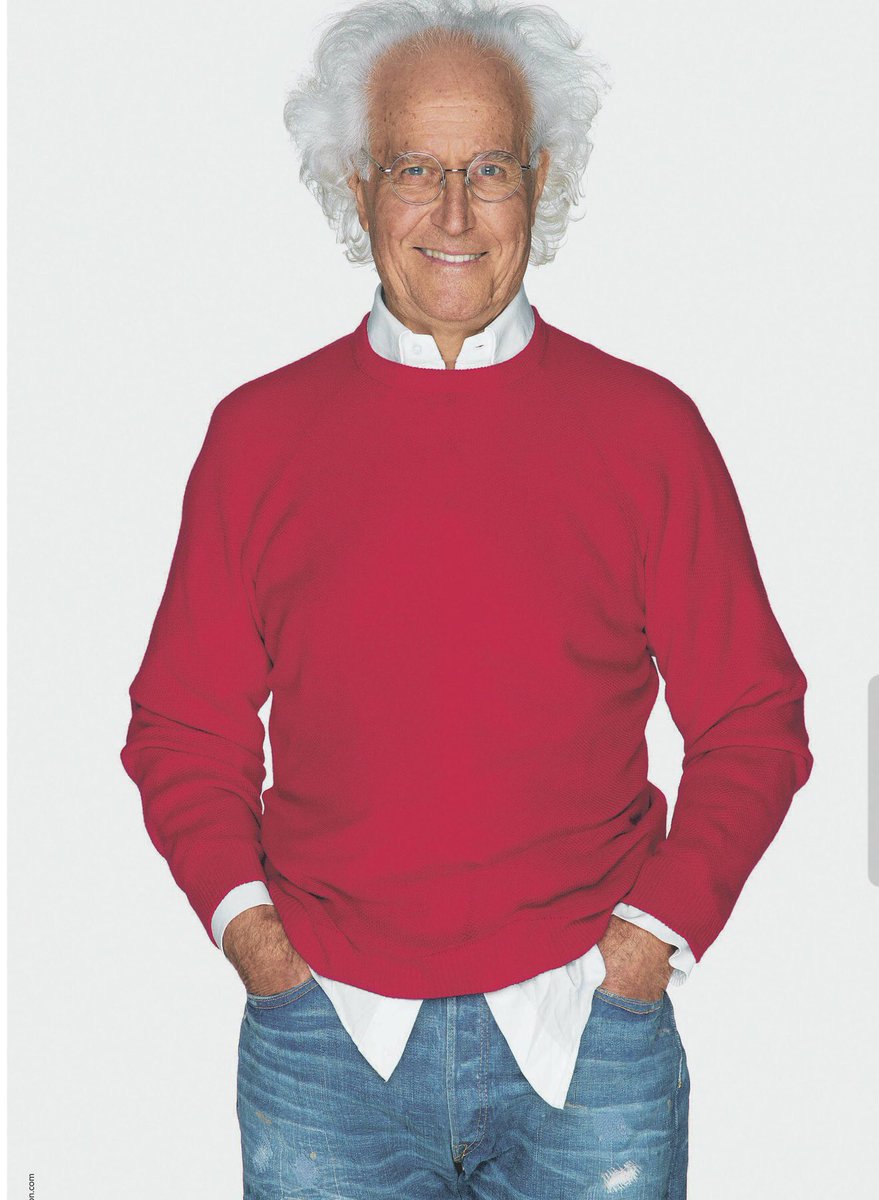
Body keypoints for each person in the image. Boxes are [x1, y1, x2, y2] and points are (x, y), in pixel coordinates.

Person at [119, 1, 813, 1195]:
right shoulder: (257, 438)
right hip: (322, 1044)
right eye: (415, 170)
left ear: (540, 181)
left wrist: (646, 946)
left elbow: (754, 717)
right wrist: (256, 942)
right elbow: (183, 726)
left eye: (488, 168)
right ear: (357, 186)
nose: (452, 213)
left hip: (591, 1041)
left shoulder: (648, 433)